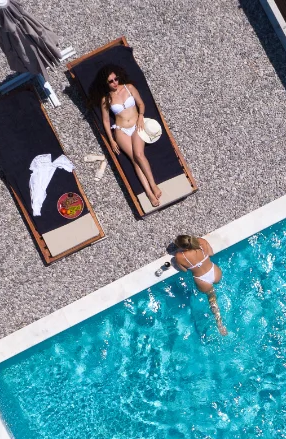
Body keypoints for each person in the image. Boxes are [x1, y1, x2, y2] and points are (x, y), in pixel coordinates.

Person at [95, 66, 162, 207]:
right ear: (106, 83)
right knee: (134, 160)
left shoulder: (129, 88)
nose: (114, 82)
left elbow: (141, 103)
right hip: (120, 130)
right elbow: (106, 121)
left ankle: (153, 184)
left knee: (139, 154)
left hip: (137, 125)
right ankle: (149, 194)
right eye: (111, 81)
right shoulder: (106, 99)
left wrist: (141, 116)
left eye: (116, 79)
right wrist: (111, 140)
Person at [172, 235, 227, 335]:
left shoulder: (179, 256)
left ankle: (220, 325)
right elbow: (211, 253)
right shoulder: (201, 242)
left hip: (203, 281)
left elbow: (184, 270)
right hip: (215, 272)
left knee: (212, 299)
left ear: (182, 247)